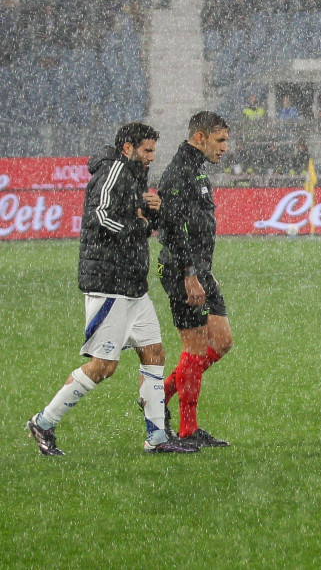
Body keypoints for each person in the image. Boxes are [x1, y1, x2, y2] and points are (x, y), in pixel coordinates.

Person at [25, 122, 198, 455]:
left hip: (133, 284)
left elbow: (138, 223)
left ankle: (157, 438)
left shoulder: (133, 176)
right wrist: (142, 222)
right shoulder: (114, 170)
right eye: (146, 150)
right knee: (103, 366)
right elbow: (100, 216)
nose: (151, 157)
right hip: (109, 283)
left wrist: (153, 214)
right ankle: (43, 423)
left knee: (155, 353)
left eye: (153, 151)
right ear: (128, 147)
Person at [156, 111, 233, 448]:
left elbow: (196, 227)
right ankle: (187, 429)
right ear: (199, 138)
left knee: (223, 341)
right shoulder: (178, 173)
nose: (225, 148)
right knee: (195, 347)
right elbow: (172, 230)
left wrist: (204, 269)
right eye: (220, 140)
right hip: (181, 271)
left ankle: (158, 396)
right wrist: (189, 274)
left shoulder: (198, 169)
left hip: (200, 270)